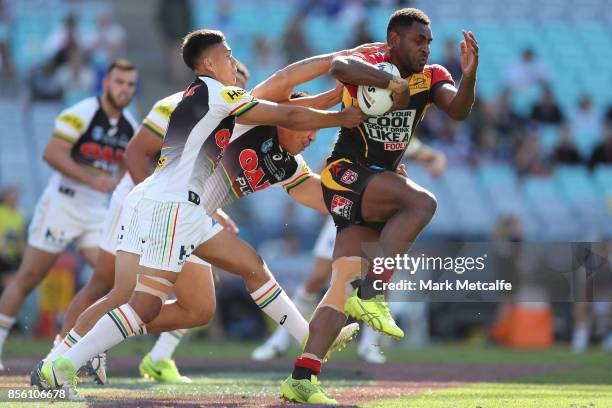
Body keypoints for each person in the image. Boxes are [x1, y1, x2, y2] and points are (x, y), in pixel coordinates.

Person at [39, 29, 365, 394]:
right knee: (135, 302)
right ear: (209, 62)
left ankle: (309, 340)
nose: (234, 61)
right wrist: (339, 110)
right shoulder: (221, 95)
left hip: (184, 209)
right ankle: (61, 363)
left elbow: (311, 174)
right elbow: (287, 107)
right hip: (172, 204)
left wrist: (364, 194)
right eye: (227, 55)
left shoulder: (230, 110)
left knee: (226, 284)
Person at [280, 8, 478, 404]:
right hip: (345, 173)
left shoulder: (433, 75)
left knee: (340, 285)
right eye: (418, 40)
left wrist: (470, 73)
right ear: (394, 41)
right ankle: (374, 294)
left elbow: (457, 110)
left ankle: (302, 377)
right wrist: (389, 81)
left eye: (429, 42)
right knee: (421, 203)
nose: (426, 48)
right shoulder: (373, 61)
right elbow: (339, 65)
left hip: (373, 184)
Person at [252, 138, 447, 363]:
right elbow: (325, 165)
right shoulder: (355, 130)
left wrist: (437, 160)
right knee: (317, 278)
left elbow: (427, 154)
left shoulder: (397, 132)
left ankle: (370, 346)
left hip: (379, 212)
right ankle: (279, 341)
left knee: (379, 277)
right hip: (345, 210)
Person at [0, 59, 138, 371]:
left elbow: (124, 167)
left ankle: (68, 347)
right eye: (119, 82)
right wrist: (94, 180)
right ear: (105, 83)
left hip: (94, 211)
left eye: (130, 84)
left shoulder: (130, 124)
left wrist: (116, 184)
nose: (124, 89)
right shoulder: (83, 112)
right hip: (62, 205)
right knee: (29, 277)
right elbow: (51, 152)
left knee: (108, 279)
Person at [0, 186, 25, 292]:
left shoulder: (20, 214)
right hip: (2, 254)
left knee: (11, 285)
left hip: (13, 256)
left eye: (17, 194)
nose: (15, 197)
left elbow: (20, 236)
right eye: (13, 194)